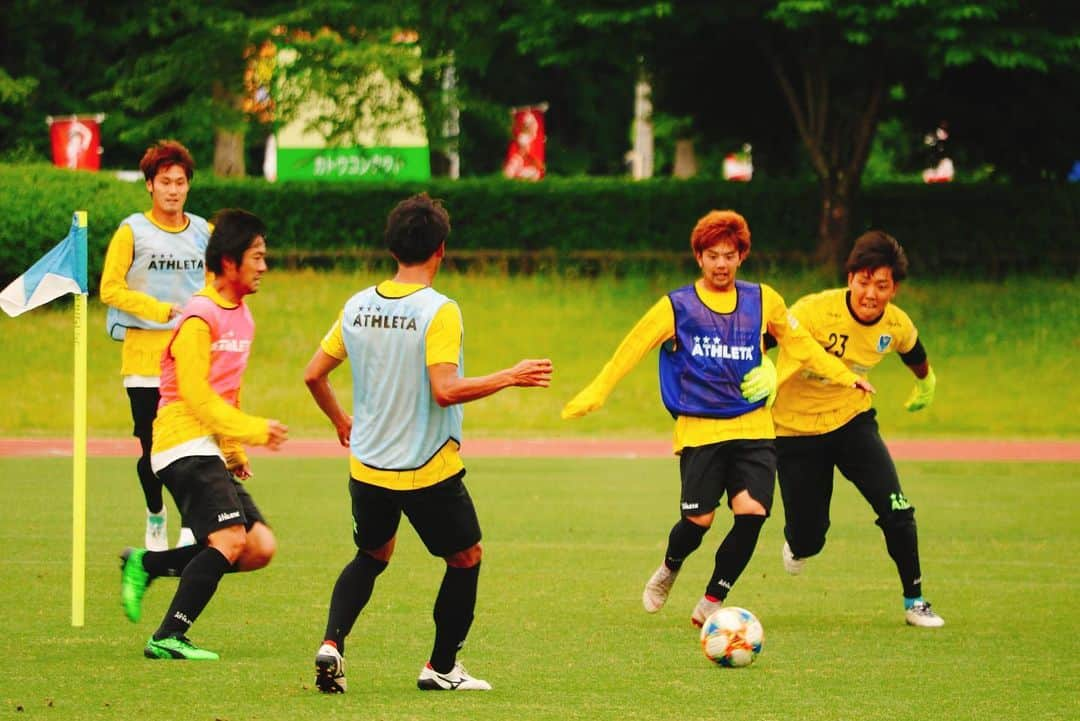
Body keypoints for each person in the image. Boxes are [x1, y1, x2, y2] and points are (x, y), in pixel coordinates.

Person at [562, 210, 874, 627]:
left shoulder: (764, 299)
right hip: (701, 430)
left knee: (752, 512)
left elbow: (802, 345)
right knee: (699, 520)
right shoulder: (676, 306)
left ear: (742, 255)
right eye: (713, 255)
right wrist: (598, 389)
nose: (721, 264)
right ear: (699, 257)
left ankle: (714, 597)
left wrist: (845, 376)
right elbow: (631, 348)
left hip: (754, 427)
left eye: (729, 254)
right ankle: (669, 569)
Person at [303, 192, 552, 693]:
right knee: (466, 557)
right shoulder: (439, 310)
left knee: (372, 556)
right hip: (425, 468)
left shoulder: (356, 305)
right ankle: (441, 668)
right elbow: (445, 390)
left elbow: (313, 375)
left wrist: (339, 420)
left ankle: (332, 644)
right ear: (440, 249)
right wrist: (510, 375)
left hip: (367, 467)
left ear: (393, 248)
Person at [117, 209, 289, 660]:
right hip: (179, 442)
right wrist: (252, 431)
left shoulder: (244, 318)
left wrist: (232, 448)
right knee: (230, 539)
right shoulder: (199, 317)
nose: (264, 266)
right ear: (229, 262)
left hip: (207, 445)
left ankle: (147, 563)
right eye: (257, 256)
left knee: (258, 547)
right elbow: (195, 395)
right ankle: (168, 636)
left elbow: (227, 392)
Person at [770, 230, 944, 628]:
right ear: (850, 279)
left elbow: (914, 352)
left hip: (852, 423)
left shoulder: (896, 324)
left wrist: (926, 381)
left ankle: (915, 601)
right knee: (810, 537)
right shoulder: (814, 311)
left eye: (881, 285)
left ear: (893, 289)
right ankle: (798, 544)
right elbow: (764, 340)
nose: (870, 293)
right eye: (863, 282)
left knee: (897, 509)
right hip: (795, 432)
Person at [100, 140, 211, 551]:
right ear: (149, 185)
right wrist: (158, 309)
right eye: (165, 182)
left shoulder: (203, 232)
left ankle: (188, 529)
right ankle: (155, 515)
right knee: (151, 449)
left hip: (191, 356)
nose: (173, 190)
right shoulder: (132, 231)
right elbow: (110, 288)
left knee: (192, 446)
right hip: (145, 358)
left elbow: (219, 282)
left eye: (180, 182)